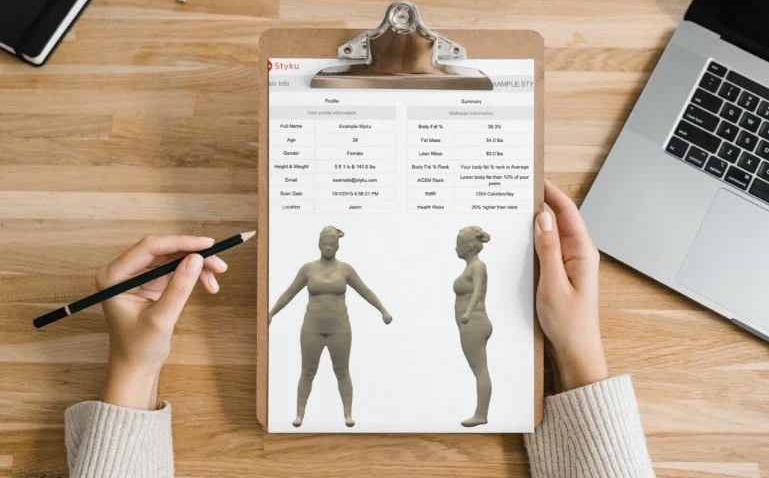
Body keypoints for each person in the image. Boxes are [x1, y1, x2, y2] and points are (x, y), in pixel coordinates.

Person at [63, 181, 654, 477]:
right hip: (319, 328)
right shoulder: (313, 266)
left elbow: (366, 291)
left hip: (350, 327)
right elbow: (294, 289)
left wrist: (133, 368)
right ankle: (305, 410)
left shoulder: (347, 266)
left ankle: (341, 409)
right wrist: (578, 346)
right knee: (307, 377)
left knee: (343, 375)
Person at [268, 225, 393, 428]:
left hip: (340, 329)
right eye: (324, 244)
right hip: (312, 328)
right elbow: (289, 292)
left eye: (331, 245)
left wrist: (383, 310)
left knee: (342, 371)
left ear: (337, 246)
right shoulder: (307, 269)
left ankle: (348, 414)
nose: (328, 248)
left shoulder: (346, 269)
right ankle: (299, 414)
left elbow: (366, 291)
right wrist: (271, 313)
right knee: (307, 371)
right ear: (318, 245)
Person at [454, 226, 493, 428]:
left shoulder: (478, 266)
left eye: (459, 244)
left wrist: (468, 312)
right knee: (478, 369)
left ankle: (481, 414)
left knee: (480, 370)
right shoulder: (470, 267)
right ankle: (481, 413)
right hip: (471, 324)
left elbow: (478, 289)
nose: (455, 248)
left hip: (474, 323)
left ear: (469, 247)